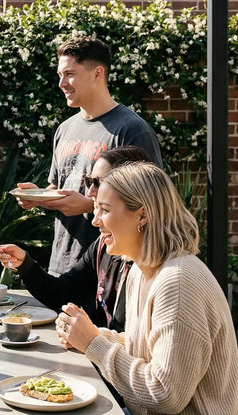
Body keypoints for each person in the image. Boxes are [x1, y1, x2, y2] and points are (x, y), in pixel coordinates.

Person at [55, 162, 238, 415]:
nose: (95, 220)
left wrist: (95, 344)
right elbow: (145, 349)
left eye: (104, 210)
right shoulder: (141, 272)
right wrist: (89, 338)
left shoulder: (179, 280)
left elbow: (166, 393)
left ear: (141, 216)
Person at [17, 36, 162, 276]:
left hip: (110, 269)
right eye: (59, 75)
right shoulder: (65, 128)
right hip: (61, 267)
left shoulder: (132, 130)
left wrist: (86, 205)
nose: (62, 83)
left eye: (70, 74)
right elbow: (58, 186)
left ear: (97, 73)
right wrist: (38, 196)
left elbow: (150, 203)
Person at [0, 145, 153, 331]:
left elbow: (132, 344)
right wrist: (24, 264)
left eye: (99, 183)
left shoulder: (156, 269)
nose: (90, 192)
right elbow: (63, 293)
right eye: (89, 181)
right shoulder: (104, 246)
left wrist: (90, 340)